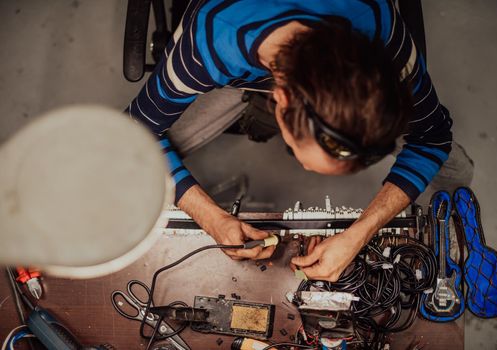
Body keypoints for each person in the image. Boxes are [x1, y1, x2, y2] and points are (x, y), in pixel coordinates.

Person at [127, 0, 473, 282]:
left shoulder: (378, 27)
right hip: (237, 68)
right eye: (297, 151)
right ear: (280, 101)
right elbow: (135, 134)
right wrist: (210, 217)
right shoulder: (209, 43)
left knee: (451, 165)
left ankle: (452, 226)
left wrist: (360, 233)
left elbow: (432, 139)